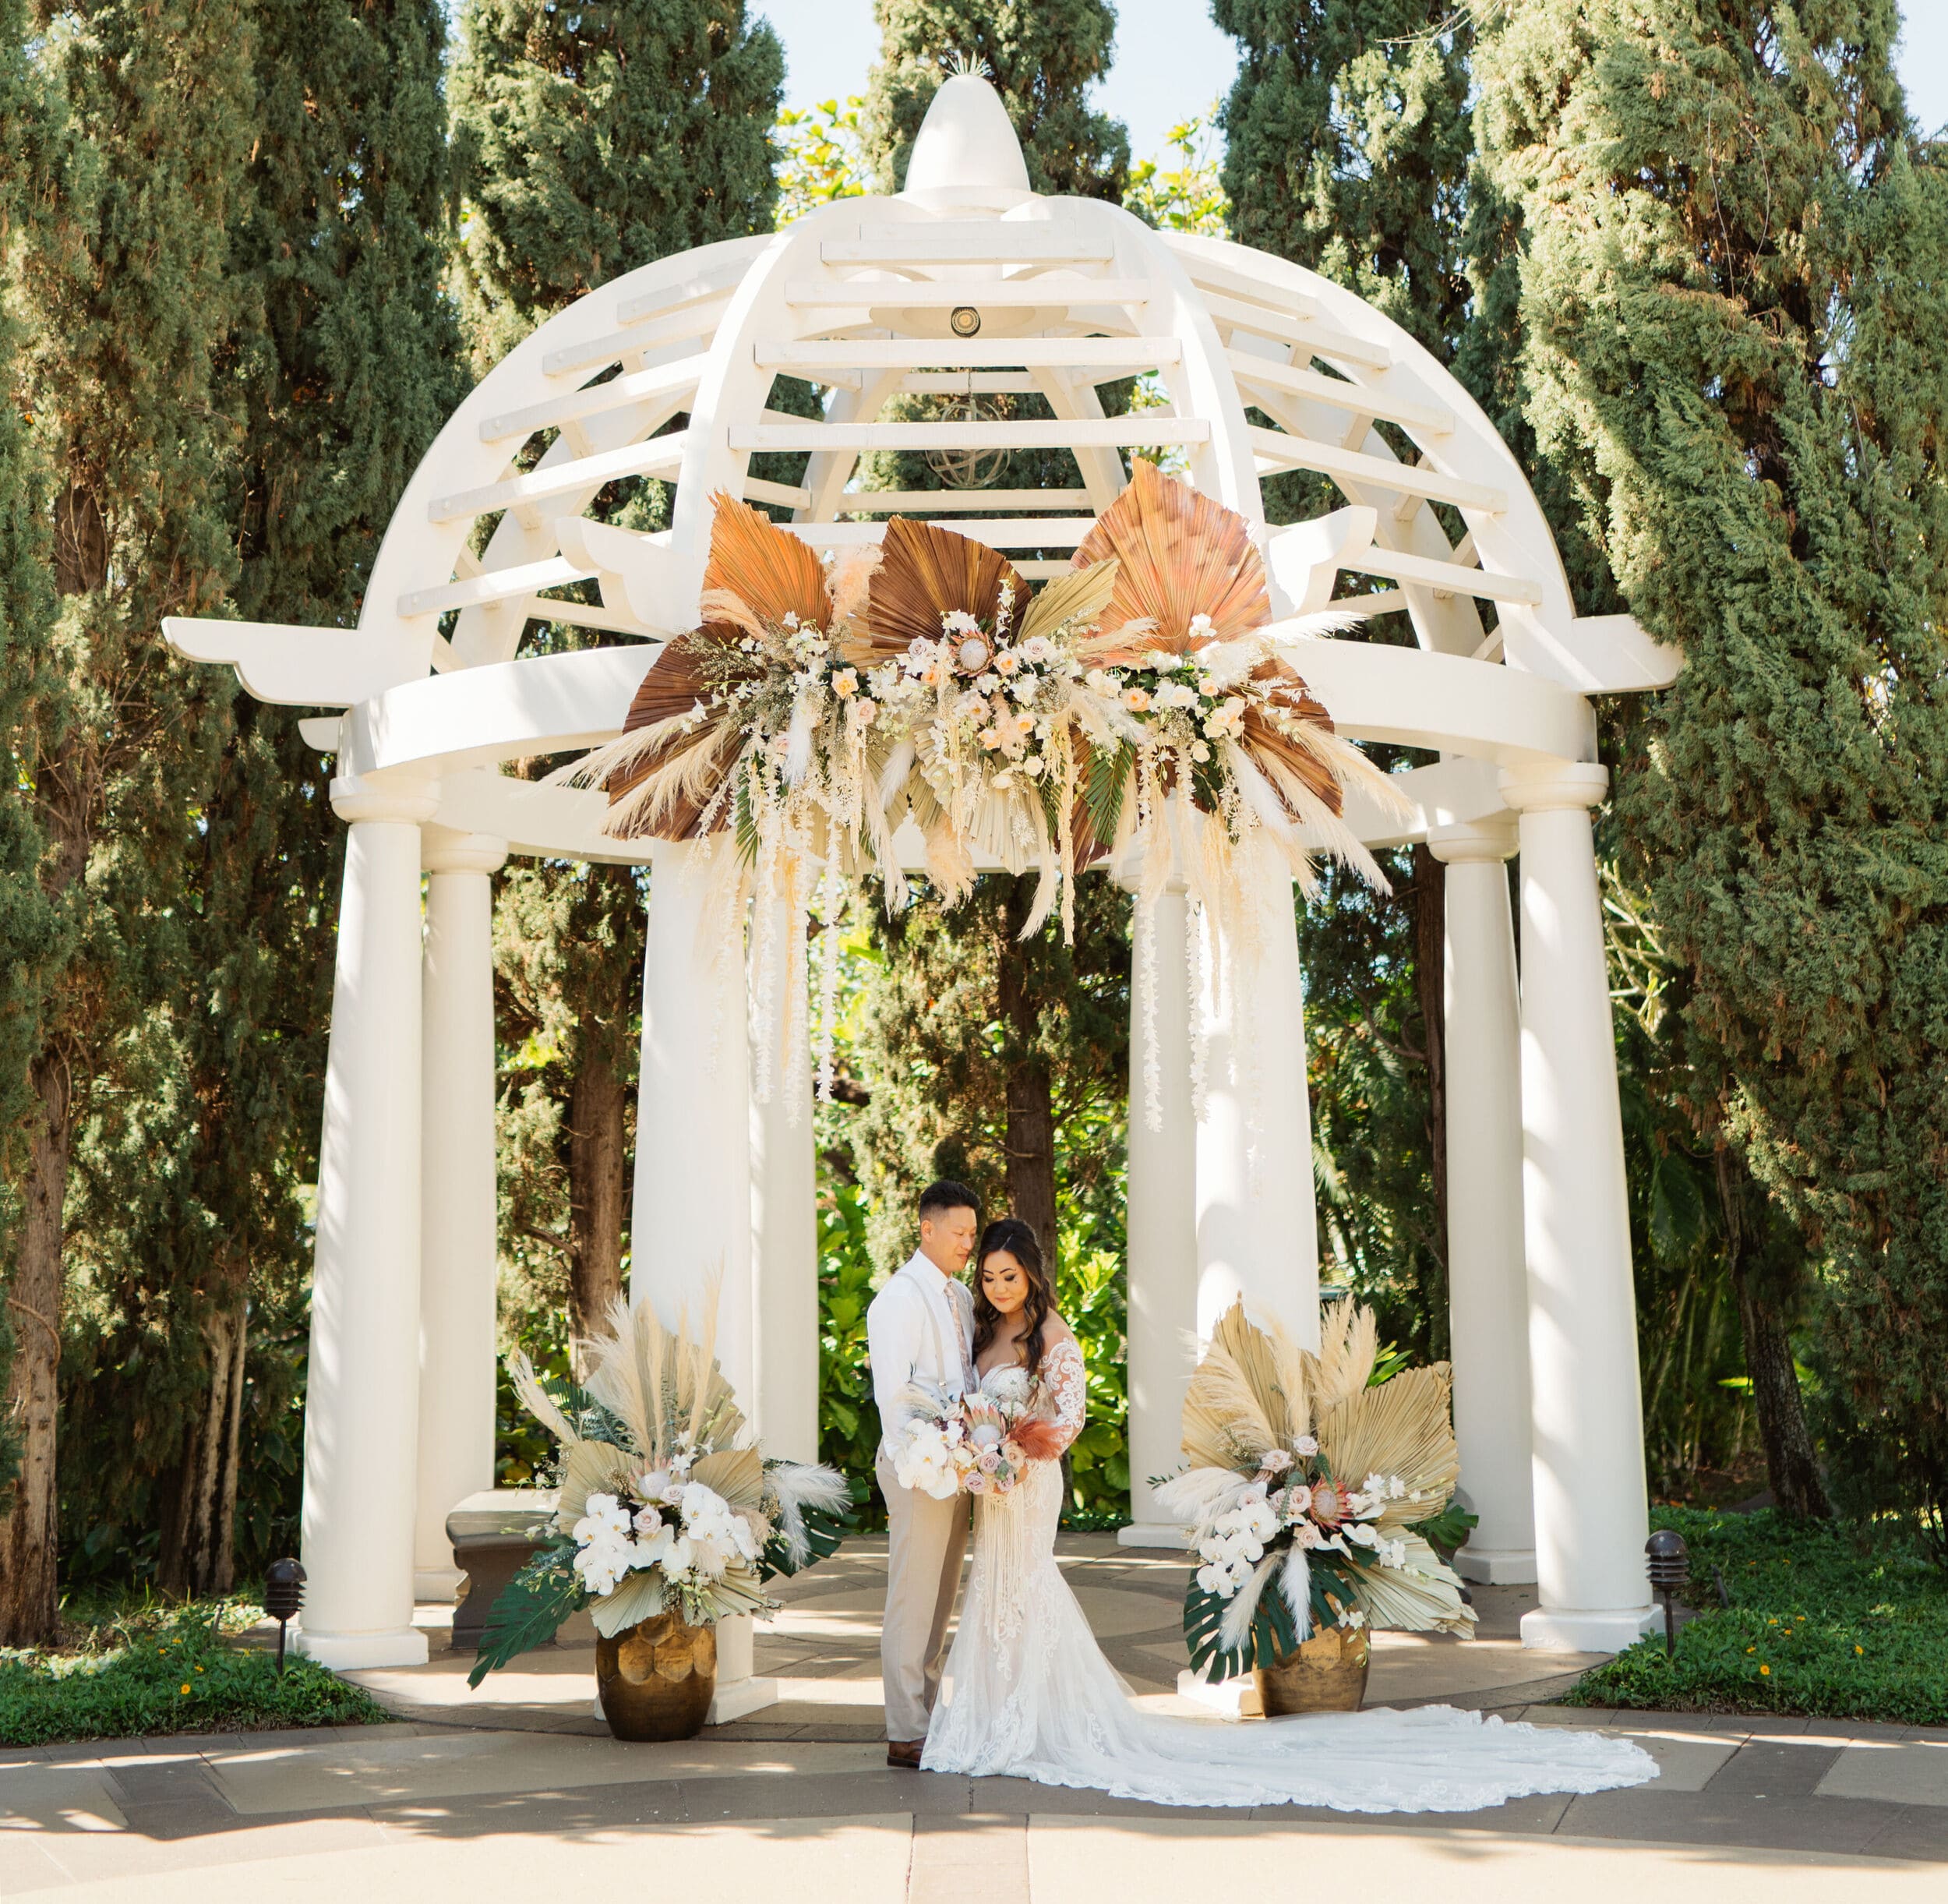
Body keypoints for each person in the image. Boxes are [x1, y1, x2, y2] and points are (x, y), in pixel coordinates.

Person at [919, 1217, 1660, 1813]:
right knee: (996, 1591)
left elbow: (1069, 1418)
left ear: (1033, 1274)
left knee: (1025, 1587)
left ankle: (1031, 1721)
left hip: (1029, 1478)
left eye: (1008, 1275)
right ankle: (998, 1717)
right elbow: (970, 1402)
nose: (997, 1286)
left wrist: (1019, 1446)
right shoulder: (982, 1333)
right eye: (987, 1276)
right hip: (996, 1486)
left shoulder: (1053, 1337)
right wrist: (978, 1445)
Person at [866, 1178, 979, 1769]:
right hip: (918, 1468)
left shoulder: (960, 1296)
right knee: (912, 1598)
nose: (968, 1242)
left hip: (958, 1468)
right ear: (926, 1228)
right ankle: (904, 1727)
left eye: (972, 1232)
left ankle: (928, 1717)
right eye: (958, 1231)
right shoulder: (897, 1300)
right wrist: (925, 1463)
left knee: (940, 1600)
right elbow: (895, 1398)